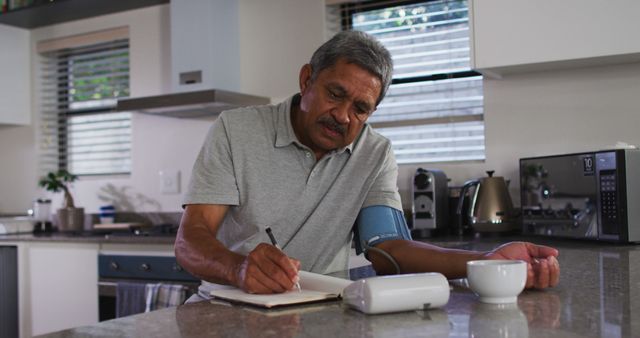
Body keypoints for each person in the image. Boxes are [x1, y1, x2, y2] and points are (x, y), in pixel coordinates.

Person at [175, 30, 560, 300]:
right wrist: (240, 269)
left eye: (360, 108)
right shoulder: (235, 129)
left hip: (323, 312)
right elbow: (190, 241)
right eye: (334, 94)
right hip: (231, 307)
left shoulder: (374, 152)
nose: (342, 116)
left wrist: (486, 262)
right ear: (307, 79)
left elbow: (388, 250)